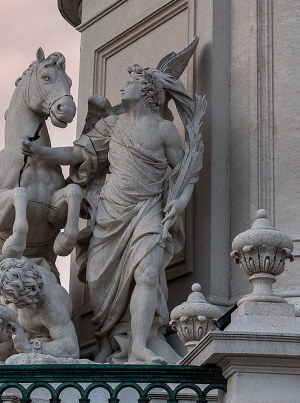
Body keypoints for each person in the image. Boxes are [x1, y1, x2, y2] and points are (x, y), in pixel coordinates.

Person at [21, 57, 203, 364]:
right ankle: (108, 339)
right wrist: (42, 152)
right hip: (109, 214)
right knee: (100, 286)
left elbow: (187, 170)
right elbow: (79, 153)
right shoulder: (112, 125)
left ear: (147, 91)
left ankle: (141, 345)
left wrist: (180, 202)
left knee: (146, 273)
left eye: (130, 82)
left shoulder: (164, 131)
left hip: (147, 210)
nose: (122, 86)